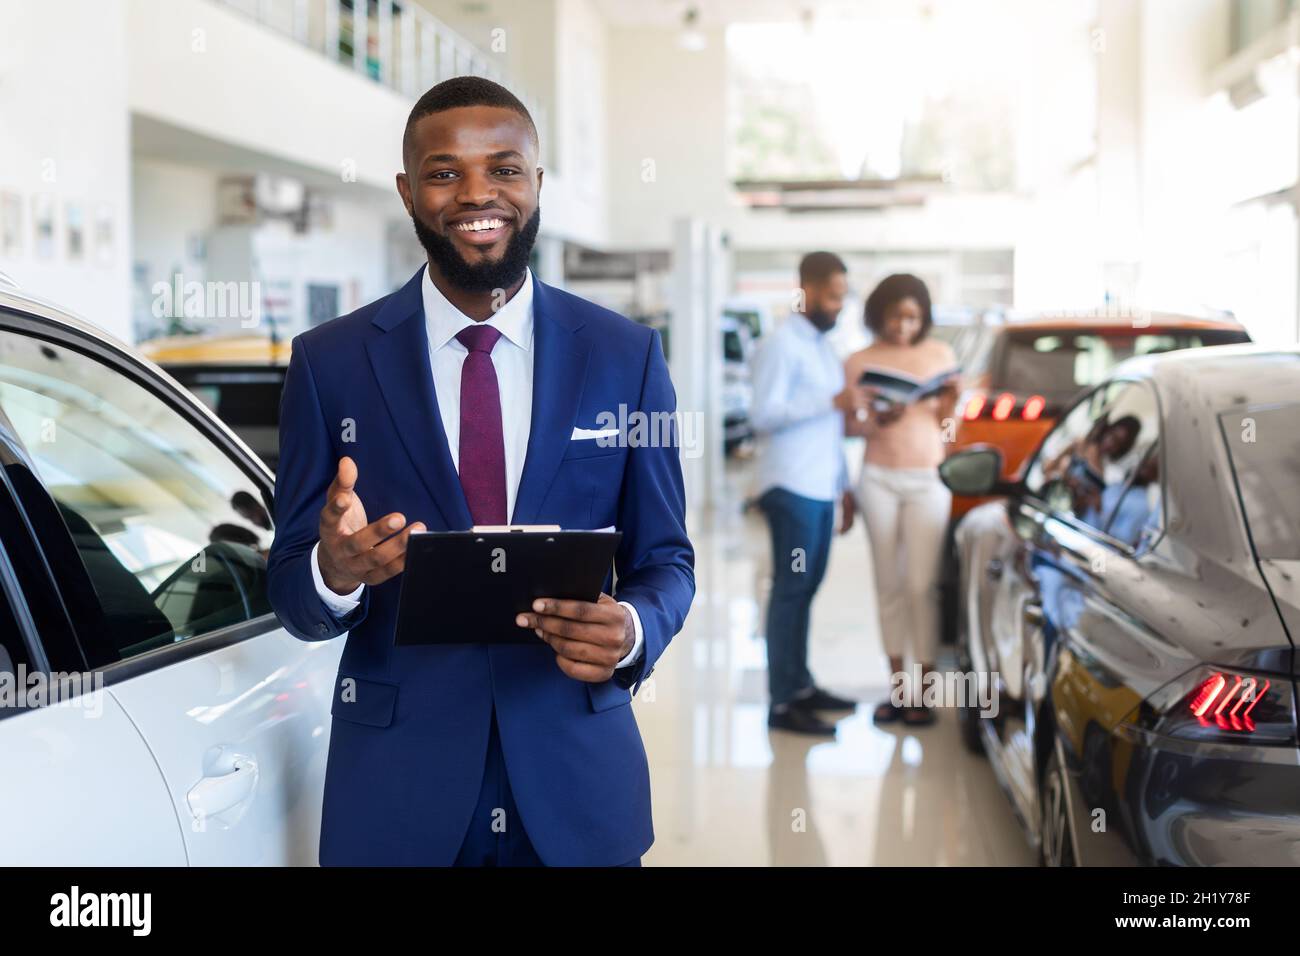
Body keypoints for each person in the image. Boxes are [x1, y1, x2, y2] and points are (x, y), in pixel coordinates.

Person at [266, 77, 694, 867]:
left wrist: (632, 629)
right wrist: (335, 571)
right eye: (443, 172)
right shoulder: (330, 363)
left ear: (537, 182)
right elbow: (294, 592)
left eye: (503, 169)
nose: (476, 194)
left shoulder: (626, 357)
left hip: (576, 779)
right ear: (407, 191)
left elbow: (667, 559)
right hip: (399, 794)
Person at [750, 252, 868, 737]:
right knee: (791, 590)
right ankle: (782, 703)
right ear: (808, 289)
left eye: (843, 296)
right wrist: (829, 400)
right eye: (834, 295)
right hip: (791, 485)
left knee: (808, 588)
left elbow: (833, 427)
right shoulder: (781, 344)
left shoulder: (823, 346)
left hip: (821, 487)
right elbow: (763, 415)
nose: (840, 305)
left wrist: (844, 488)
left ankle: (800, 684)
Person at [844, 274, 958, 727]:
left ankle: (924, 693)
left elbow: (950, 430)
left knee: (921, 587)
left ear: (923, 317)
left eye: (911, 317)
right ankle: (897, 690)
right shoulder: (859, 361)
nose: (902, 327)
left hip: (928, 478)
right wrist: (876, 418)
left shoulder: (941, 356)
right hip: (878, 478)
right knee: (889, 585)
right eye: (894, 317)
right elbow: (851, 428)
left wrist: (951, 402)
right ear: (877, 316)